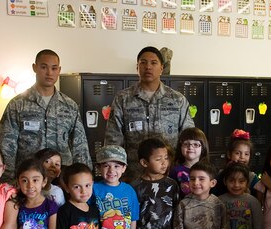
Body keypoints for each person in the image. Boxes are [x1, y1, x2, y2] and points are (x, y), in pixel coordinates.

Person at [0, 49, 91, 181]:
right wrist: (8, 181)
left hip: (62, 180)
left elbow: (80, 146)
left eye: (54, 68)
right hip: (29, 180)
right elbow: (6, 145)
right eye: (44, 67)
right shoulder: (17, 105)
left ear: (59, 70)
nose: (49, 73)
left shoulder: (70, 106)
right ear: (34, 68)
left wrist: (83, 178)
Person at [104, 46, 194, 179]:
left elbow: (189, 136)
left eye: (153, 63)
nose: (148, 67)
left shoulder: (177, 99)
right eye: (143, 62)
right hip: (134, 175)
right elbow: (113, 139)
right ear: (137, 67)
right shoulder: (123, 99)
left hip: (170, 175)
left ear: (162, 68)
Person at [214, 129, 258, 196]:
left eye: (246, 154)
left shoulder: (252, 178)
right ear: (229, 154)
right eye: (237, 153)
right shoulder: (220, 175)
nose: (242, 157)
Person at [169, 127, 209, 196]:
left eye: (195, 144)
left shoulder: (208, 170)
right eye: (186, 144)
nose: (190, 147)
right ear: (180, 147)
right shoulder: (175, 170)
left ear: (203, 148)